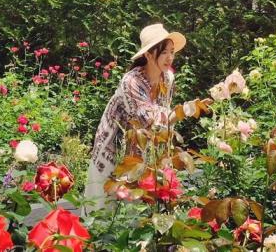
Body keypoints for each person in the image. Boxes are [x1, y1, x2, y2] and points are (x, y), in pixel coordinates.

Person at [83, 23, 207, 214]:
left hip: (141, 151)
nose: (170, 57)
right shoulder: (131, 81)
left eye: (172, 52)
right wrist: (186, 109)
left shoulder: (168, 78)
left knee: (136, 210)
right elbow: (149, 119)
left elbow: (162, 120)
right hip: (112, 149)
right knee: (100, 209)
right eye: (164, 52)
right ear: (149, 54)